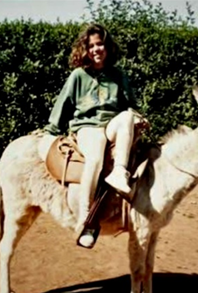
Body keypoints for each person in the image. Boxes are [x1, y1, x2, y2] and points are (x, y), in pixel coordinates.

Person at [43, 23, 141, 249]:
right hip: (88, 127)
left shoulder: (119, 75)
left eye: (100, 44)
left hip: (112, 124)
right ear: (85, 50)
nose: (96, 49)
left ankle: (119, 172)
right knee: (95, 158)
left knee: (126, 117)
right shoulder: (78, 75)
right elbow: (63, 103)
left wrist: (138, 117)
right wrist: (50, 130)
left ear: (107, 47)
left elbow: (132, 106)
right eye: (91, 45)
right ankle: (85, 220)